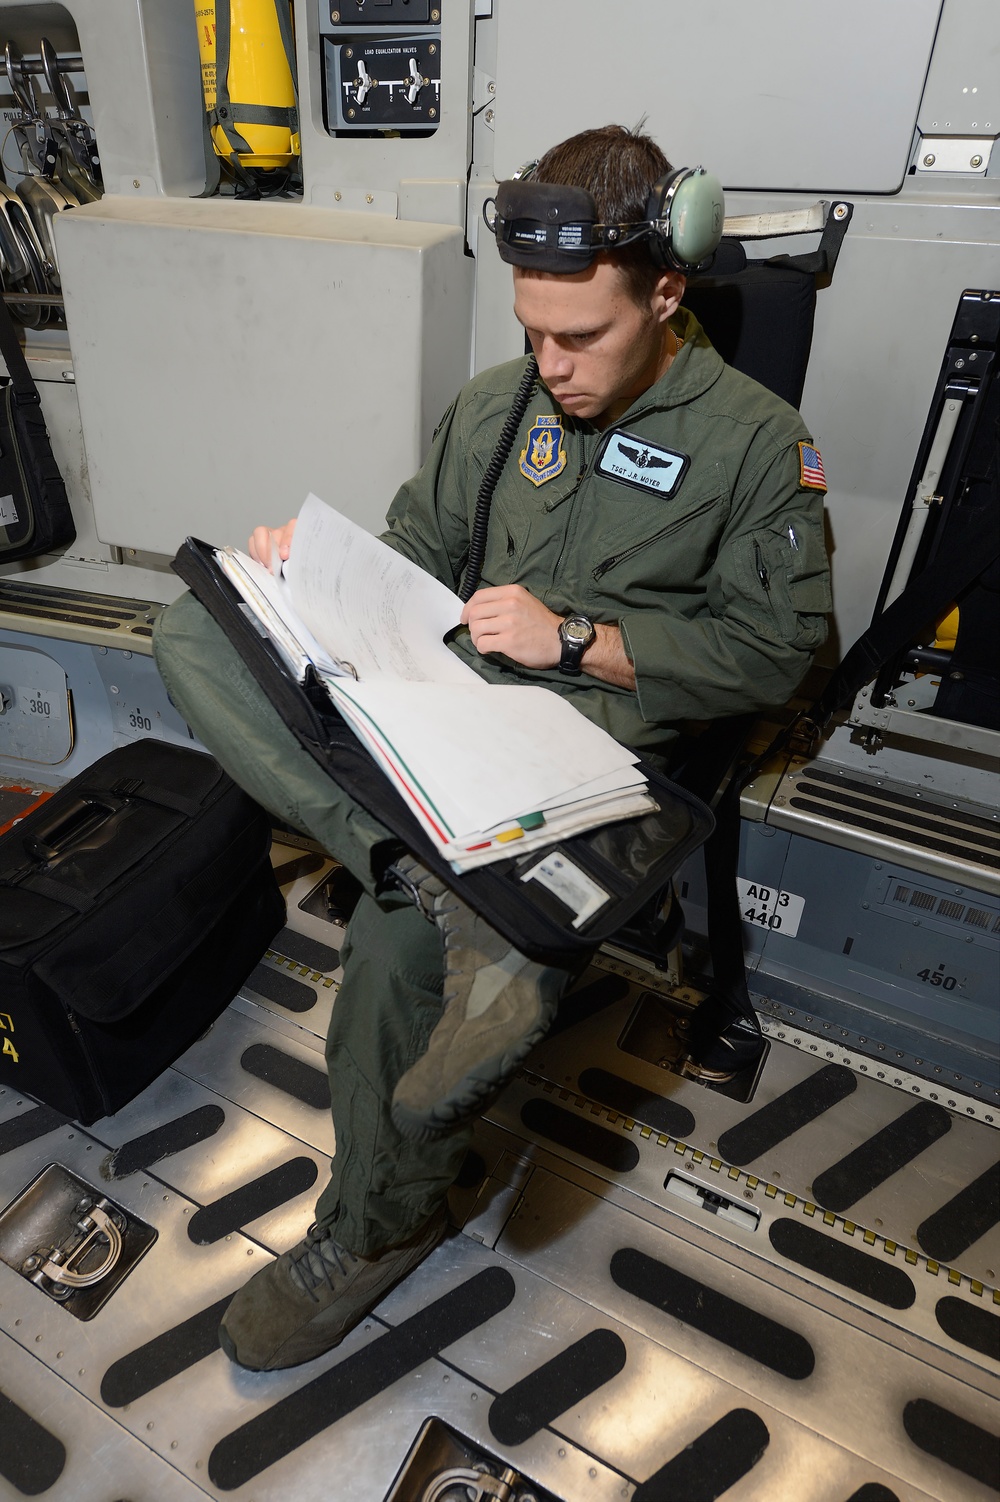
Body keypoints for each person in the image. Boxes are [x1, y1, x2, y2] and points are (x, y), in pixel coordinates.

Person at [152, 123, 831, 1372]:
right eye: (533, 333)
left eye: (582, 337)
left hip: (589, 760)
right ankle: (413, 866)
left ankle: (376, 1223)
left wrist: (581, 641)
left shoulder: (751, 444)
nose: (551, 364)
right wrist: (306, 584)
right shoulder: (499, 403)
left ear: (665, 291)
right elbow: (417, 545)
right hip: (446, 716)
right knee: (193, 626)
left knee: (391, 960)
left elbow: (781, 651)